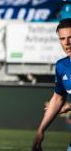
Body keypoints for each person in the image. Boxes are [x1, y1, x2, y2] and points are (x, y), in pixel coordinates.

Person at [32, 18, 71, 151]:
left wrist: (68, 107)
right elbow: (58, 98)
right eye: (63, 39)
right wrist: (41, 130)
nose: (67, 43)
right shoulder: (62, 65)